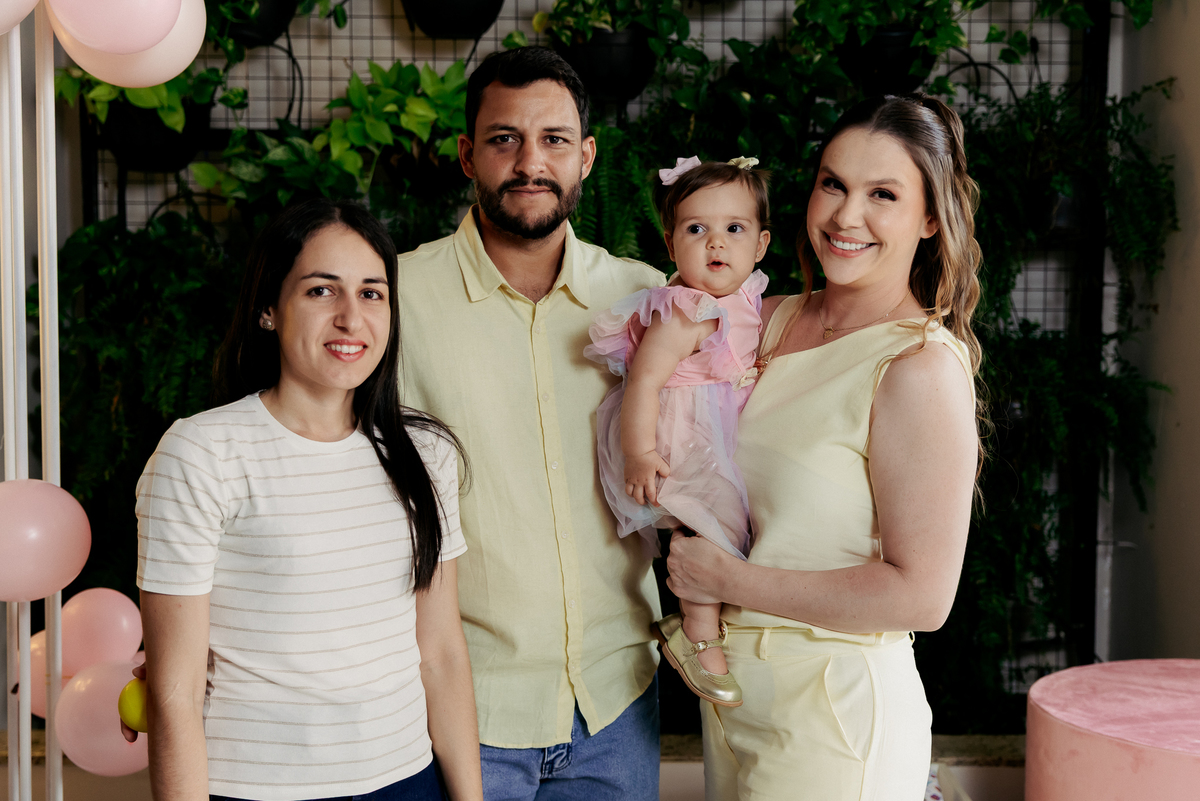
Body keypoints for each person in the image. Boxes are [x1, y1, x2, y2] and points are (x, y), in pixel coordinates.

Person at [664, 94, 983, 800]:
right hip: (734, 698)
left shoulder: (918, 368)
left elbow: (923, 596)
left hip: (836, 716)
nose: (845, 216)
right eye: (833, 184)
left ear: (930, 218)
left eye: (883, 195)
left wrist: (726, 581)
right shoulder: (765, 319)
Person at [134, 199, 483, 801]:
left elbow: (442, 654)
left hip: (407, 779)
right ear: (268, 309)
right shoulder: (202, 452)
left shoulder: (425, 452)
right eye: (322, 291)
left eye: (372, 293)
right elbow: (174, 692)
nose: (351, 317)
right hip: (255, 786)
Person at [393, 47, 664, 800]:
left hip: (618, 705)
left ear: (586, 156)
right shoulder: (393, 300)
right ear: (466, 155)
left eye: (553, 140)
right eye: (504, 139)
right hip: (459, 706)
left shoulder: (647, 302)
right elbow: (316, 466)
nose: (529, 163)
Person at [584, 157, 771, 708]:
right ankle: (697, 633)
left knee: (723, 525)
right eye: (696, 229)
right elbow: (643, 381)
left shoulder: (746, 298)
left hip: (713, 429)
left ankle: (704, 620)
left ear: (761, 244)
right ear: (670, 245)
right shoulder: (685, 309)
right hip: (678, 434)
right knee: (712, 523)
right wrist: (639, 453)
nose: (716, 242)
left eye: (734, 228)